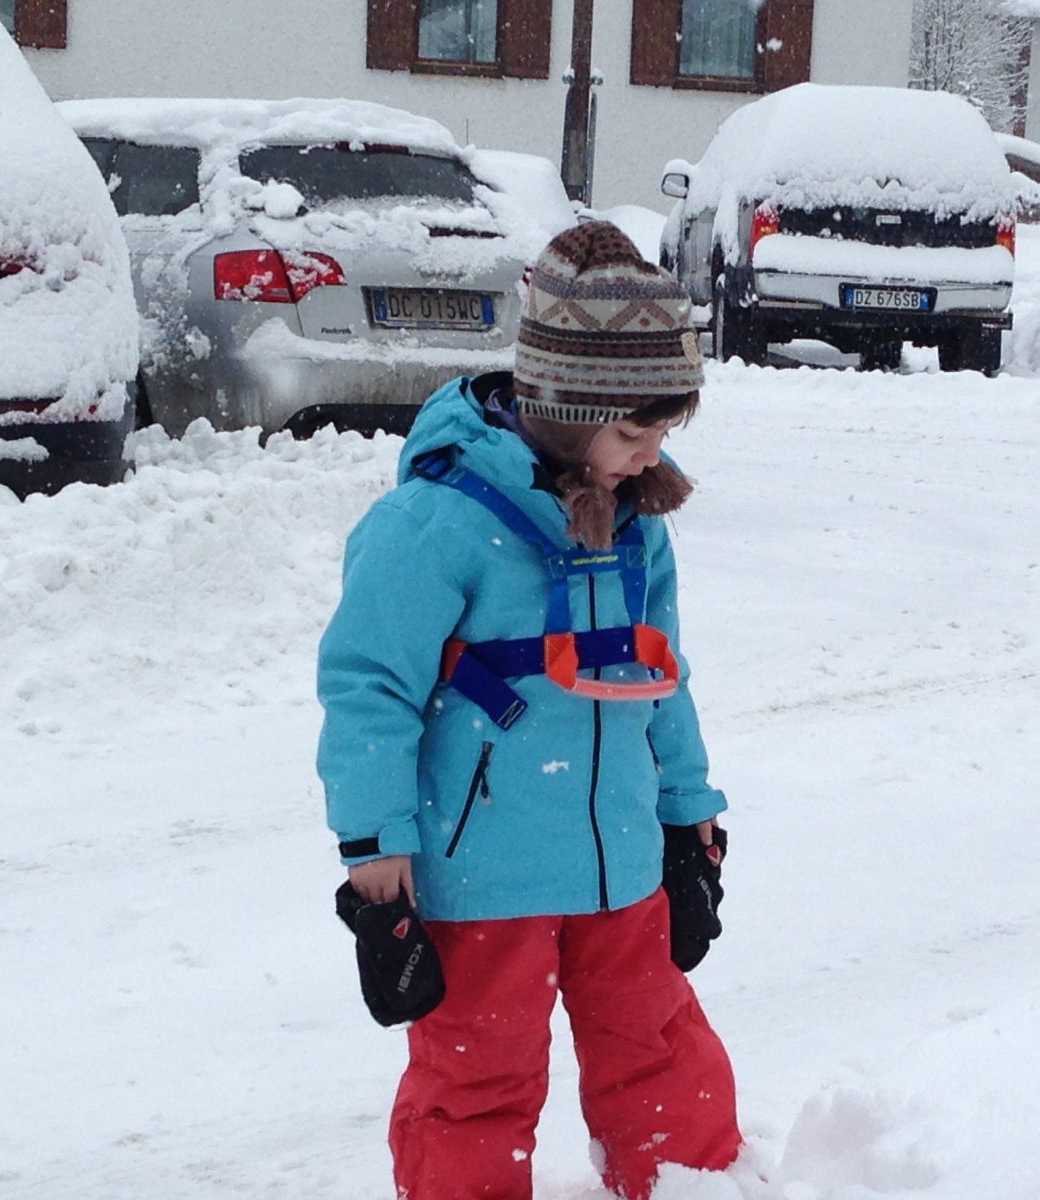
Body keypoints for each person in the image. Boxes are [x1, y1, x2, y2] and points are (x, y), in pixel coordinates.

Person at [316, 223, 741, 1200]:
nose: (645, 458)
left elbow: (659, 677)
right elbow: (366, 685)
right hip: (484, 877)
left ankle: (692, 1184)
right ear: (562, 405)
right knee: (477, 1082)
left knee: (658, 1055)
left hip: (622, 864)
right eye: (631, 434)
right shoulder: (439, 522)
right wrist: (375, 853)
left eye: (663, 437)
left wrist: (689, 813)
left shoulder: (637, 528)